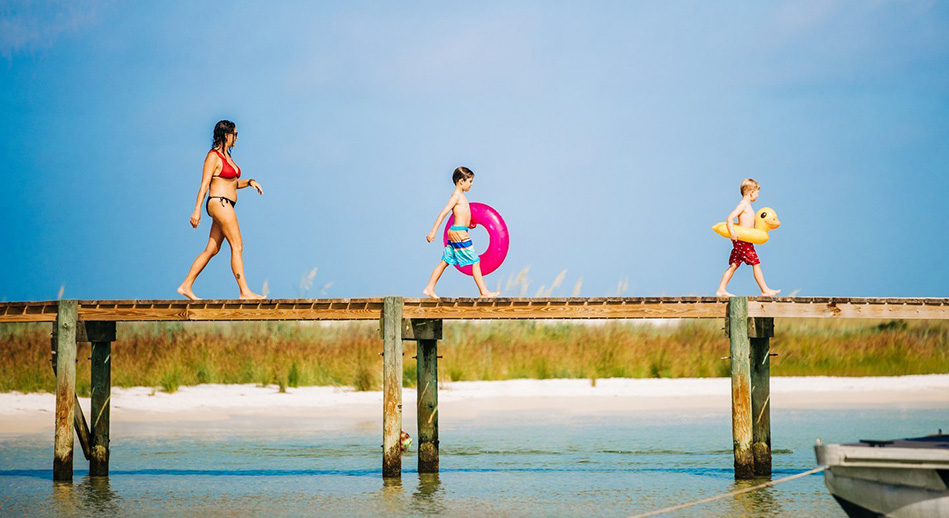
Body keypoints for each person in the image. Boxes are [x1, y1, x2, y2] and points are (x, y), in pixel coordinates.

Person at [177, 120, 265, 300]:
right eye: (235, 134)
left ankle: (186, 285)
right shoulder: (213, 157)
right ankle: (244, 291)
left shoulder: (227, 157)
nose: (237, 138)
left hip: (225, 203)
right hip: (219, 203)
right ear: (226, 135)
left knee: (212, 249)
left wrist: (249, 182)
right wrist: (196, 210)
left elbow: (232, 184)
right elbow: (204, 185)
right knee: (237, 245)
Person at [423, 166, 500, 299]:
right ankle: (483, 292)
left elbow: (461, 215)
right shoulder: (456, 197)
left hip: (459, 232)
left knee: (445, 261)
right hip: (459, 234)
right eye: (469, 181)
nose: (472, 184)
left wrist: (469, 224)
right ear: (460, 181)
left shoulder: (462, 197)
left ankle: (429, 288)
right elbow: (443, 213)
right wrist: (433, 231)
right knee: (475, 260)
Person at [716, 178, 780, 298]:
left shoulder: (748, 207)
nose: (757, 196)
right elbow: (730, 218)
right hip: (742, 241)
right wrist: (732, 233)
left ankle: (721, 289)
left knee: (734, 265)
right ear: (751, 193)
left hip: (744, 241)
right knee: (756, 263)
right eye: (757, 193)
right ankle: (765, 290)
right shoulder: (743, 205)